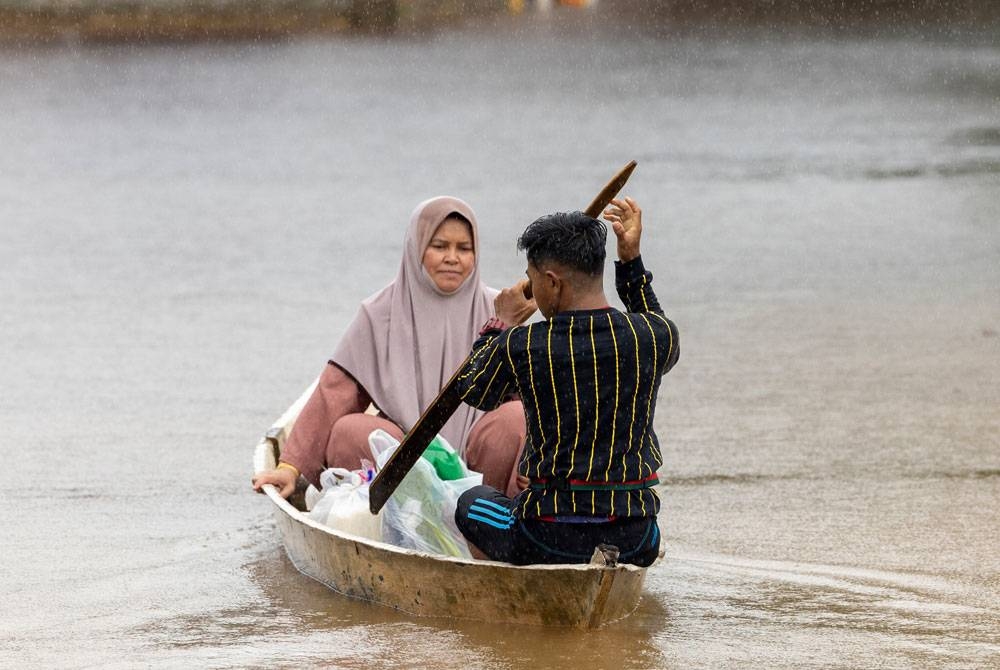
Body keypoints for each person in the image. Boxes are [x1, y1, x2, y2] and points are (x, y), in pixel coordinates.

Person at [452, 197, 679, 567]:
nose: (534, 290)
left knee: (468, 503)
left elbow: (474, 388)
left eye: (533, 280)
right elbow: (653, 319)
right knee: (637, 524)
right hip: (637, 537)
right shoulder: (652, 336)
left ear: (552, 283)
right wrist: (631, 260)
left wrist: (501, 323)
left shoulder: (522, 344)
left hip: (547, 537)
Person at [252, 196, 526, 499]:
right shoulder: (379, 312)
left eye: (464, 248)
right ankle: (405, 517)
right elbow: (334, 394)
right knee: (349, 431)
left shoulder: (502, 310)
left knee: (517, 417)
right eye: (439, 246)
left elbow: (533, 393)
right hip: (402, 463)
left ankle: (497, 519)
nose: (452, 257)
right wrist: (289, 468)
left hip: (481, 466)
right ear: (416, 248)